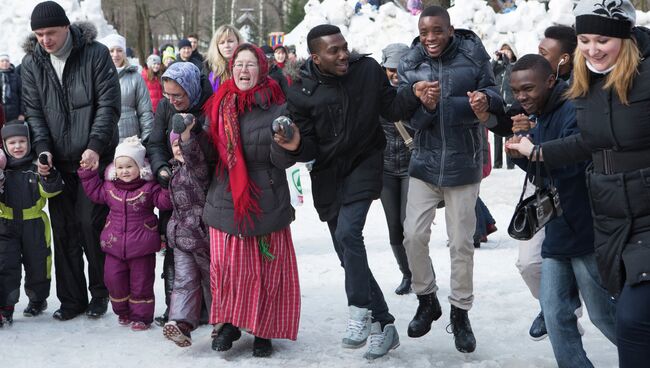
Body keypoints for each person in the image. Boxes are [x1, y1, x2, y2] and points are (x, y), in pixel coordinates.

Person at [506, 1, 650, 366]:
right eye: (584, 40)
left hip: (628, 218)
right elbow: (585, 143)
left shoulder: (643, 77)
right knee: (563, 315)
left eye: (602, 39)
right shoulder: (587, 87)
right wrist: (534, 152)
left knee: (623, 320)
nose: (592, 48)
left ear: (625, 38)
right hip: (611, 221)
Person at [280, 24, 435, 360]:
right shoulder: (301, 89)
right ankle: (384, 323)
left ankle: (359, 311)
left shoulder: (366, 71)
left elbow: (392, 109)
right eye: (333, 51)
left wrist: (414, 93)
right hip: (327, 174)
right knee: (346, 252)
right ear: (315, 56)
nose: (342, 55)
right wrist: (295, 145)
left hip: (365, 163)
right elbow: (307, 148)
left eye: (344, 48)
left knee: (350, 233)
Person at [398, 6, 503, 354]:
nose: (430, 38)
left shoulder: (473, 56)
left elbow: (496, 96)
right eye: (424, 31)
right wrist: (425, 107)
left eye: (437, 31)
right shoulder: (410, 63)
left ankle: (460, 313)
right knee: (412, 235)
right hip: (424, 164)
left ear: (450, 30)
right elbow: (404, 116)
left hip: (462, 164)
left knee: (461, 243)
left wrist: (484, 102)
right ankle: (427, 299)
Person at [504, 54, 617, 367]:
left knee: (603, 315)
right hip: (557, 231)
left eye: (528, 88)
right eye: (515, 91)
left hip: (585, 229)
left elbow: (577, 162)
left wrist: (536, 152)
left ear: (551, 81)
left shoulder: (573, 109)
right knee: (554, 314)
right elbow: (545, 172)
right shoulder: (542, 114)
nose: (521, 97)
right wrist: (521, 153)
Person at [21, 1, 121, 321]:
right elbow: (34, 114)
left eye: (50, 32)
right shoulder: (32, 63)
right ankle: (71, 298)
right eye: (39, 35)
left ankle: (100, 293)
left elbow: (108, 105)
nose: (45, 40)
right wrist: (43, 152)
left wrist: (94, 146)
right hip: (58, 164)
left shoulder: (95, 54)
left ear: (66, 27)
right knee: (64, 231)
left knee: (91, 226)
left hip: (92, 160)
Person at [205, 44, 300, 358]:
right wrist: (187, 142)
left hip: (266, 196)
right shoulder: (218, 104)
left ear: (262, 69)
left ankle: (263, 331)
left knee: (265, 270)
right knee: (228, 268)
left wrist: (285, 143)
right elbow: (208, 155)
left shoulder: (277, 106)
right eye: (238, 65)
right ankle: (230, 323)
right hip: (224, 196)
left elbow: (283, 161)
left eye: (250, 65)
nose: (243, 71)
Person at [78, 136, 172, 330]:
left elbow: (164, 202)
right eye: (120, 167)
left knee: (141, 283)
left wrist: (166, 184)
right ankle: (122, 311)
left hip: (142, 247)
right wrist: (88, 174)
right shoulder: (109, 188)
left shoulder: (148, 188)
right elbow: (94, 192)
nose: (124, 171)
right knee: (113, 279)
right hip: (114, 245)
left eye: (129, 166)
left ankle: (141, 317)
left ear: (140, 167)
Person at [146, 62, 212, 326]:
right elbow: (154, 142)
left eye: (178, 96)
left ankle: (210, 309)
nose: (172, 101)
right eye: (167, 95)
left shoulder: (208, 105)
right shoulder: (165, 107)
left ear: (192, 90)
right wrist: (161, 168)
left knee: (206, 254)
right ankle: (174, 310)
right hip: (173, 189)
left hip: (205, 189)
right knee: (174, 249)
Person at [0, 121, 63, 326]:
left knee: (38, 263)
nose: (17, 146)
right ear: (4, 145)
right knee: (6, 265)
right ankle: (6, 306)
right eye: (12, 143)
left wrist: (50, 175)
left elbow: (50, 191)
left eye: (21, 141)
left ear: (29, 142)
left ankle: (37, 298)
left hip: (34, 223)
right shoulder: (3, 169)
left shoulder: (36, 167)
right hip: (6, 224)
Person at [161, 120, 211, 348]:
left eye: (181, 145)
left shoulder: (198, 167)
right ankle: (181, 323)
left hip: (202, 235)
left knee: (212, 281)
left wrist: (186, 136)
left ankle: (221, 322)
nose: (179, 149)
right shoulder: (174, 169)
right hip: (180, 236)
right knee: (183, 281)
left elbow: (192, 153)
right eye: (175, 145)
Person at [378, 43, 413, 295]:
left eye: (399, 68)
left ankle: (422, 271)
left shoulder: (417, 90)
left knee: (408, 225)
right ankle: (407, 274)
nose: (395, 73)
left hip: (413, 167)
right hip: (386, 168)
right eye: (390, 68)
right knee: (394, 227)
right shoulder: (376, 94)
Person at [100, 34, 154, 142]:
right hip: (104, 139)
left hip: (130, 139)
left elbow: (145, 111)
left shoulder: (135, 77)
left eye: (119, 50)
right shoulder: (97, 77)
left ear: (124, 53)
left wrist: (147, 138)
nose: (115, 54)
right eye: (111, 50)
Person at [492, 43, 517, 170]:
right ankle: (497, 163)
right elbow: (488, 72)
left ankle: (511, 163)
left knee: (508, 133)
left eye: (508, 51)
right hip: (498, 104)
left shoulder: (514, 67)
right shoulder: (498, 67)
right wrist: (496, 59)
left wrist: (507, 60)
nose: (506, 53)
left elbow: (511, 73)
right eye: (504, 51)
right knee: (497, 134)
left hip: (510, 103)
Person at [204, 25, 242, 92]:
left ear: (238, 42)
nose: (226, 46)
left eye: (230, 41)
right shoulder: (208, 68)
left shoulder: (247, 67)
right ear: (217, 46)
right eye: (222, 43)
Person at [0, 54, 24, 121]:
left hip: (15, 114)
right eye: (2, 61)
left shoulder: (16, 77)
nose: (5, 63)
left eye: (7, 61)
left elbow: (22, 95)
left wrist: (22, 113)